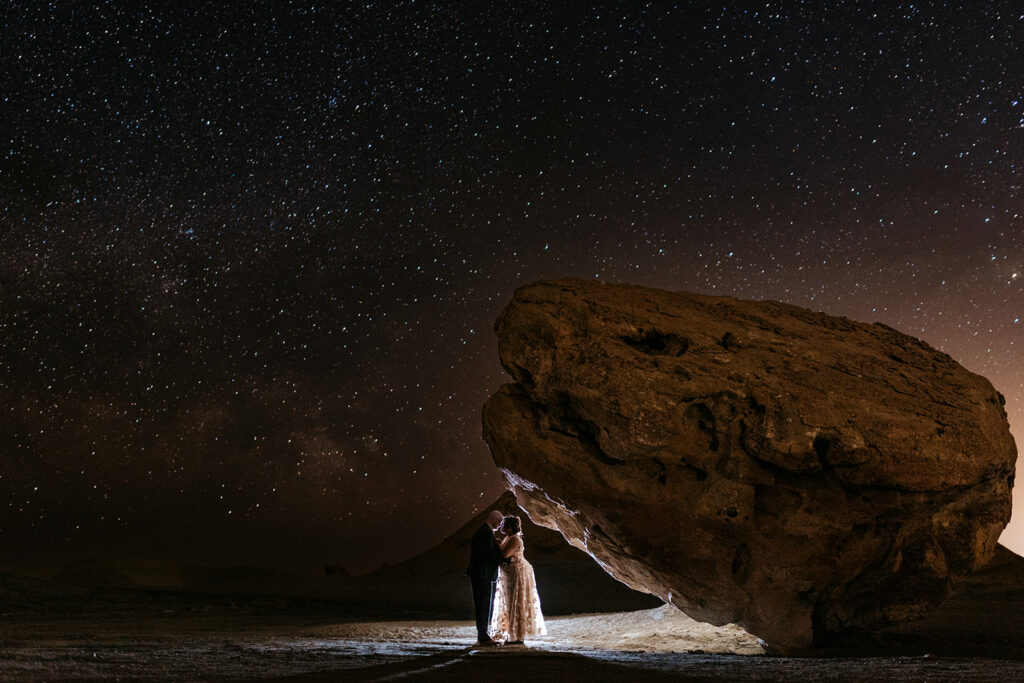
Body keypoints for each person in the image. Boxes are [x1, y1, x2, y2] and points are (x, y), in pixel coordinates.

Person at [490, 515, 546, 644]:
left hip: (516, 573)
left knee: (516, 601)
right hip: (509, 573)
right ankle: (512, 635)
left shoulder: (515, 539)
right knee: (509, 603)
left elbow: (505, 554)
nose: (501, 525)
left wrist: (498, 544)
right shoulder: (509, 537)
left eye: (503, 523)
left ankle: (517, 637)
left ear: (509, 527)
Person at [466, 509, 505, 646]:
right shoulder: (486, 532)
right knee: (483, 604)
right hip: (483, 574)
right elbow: (489, 554)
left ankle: (482, 634)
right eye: (499, 523)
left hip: (479, 573)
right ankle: (483, 636)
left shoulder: (484, 531)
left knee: (482, 603)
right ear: (495, 520)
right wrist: (505, 558)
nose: (499, 526)